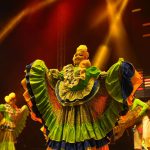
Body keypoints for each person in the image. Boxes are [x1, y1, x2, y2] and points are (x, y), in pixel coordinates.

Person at [21, 44, 148, 150]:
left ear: (86, 57)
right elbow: (54, 79)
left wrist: (117, 72)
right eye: (76, 54)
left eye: (80, 54)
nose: (77, 56)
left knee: (87, 139)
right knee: (63, 139)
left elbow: (104, 78)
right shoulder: (66, 70)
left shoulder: (91, 70)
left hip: (85, 114)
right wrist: (42, 72)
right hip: (66, 115)